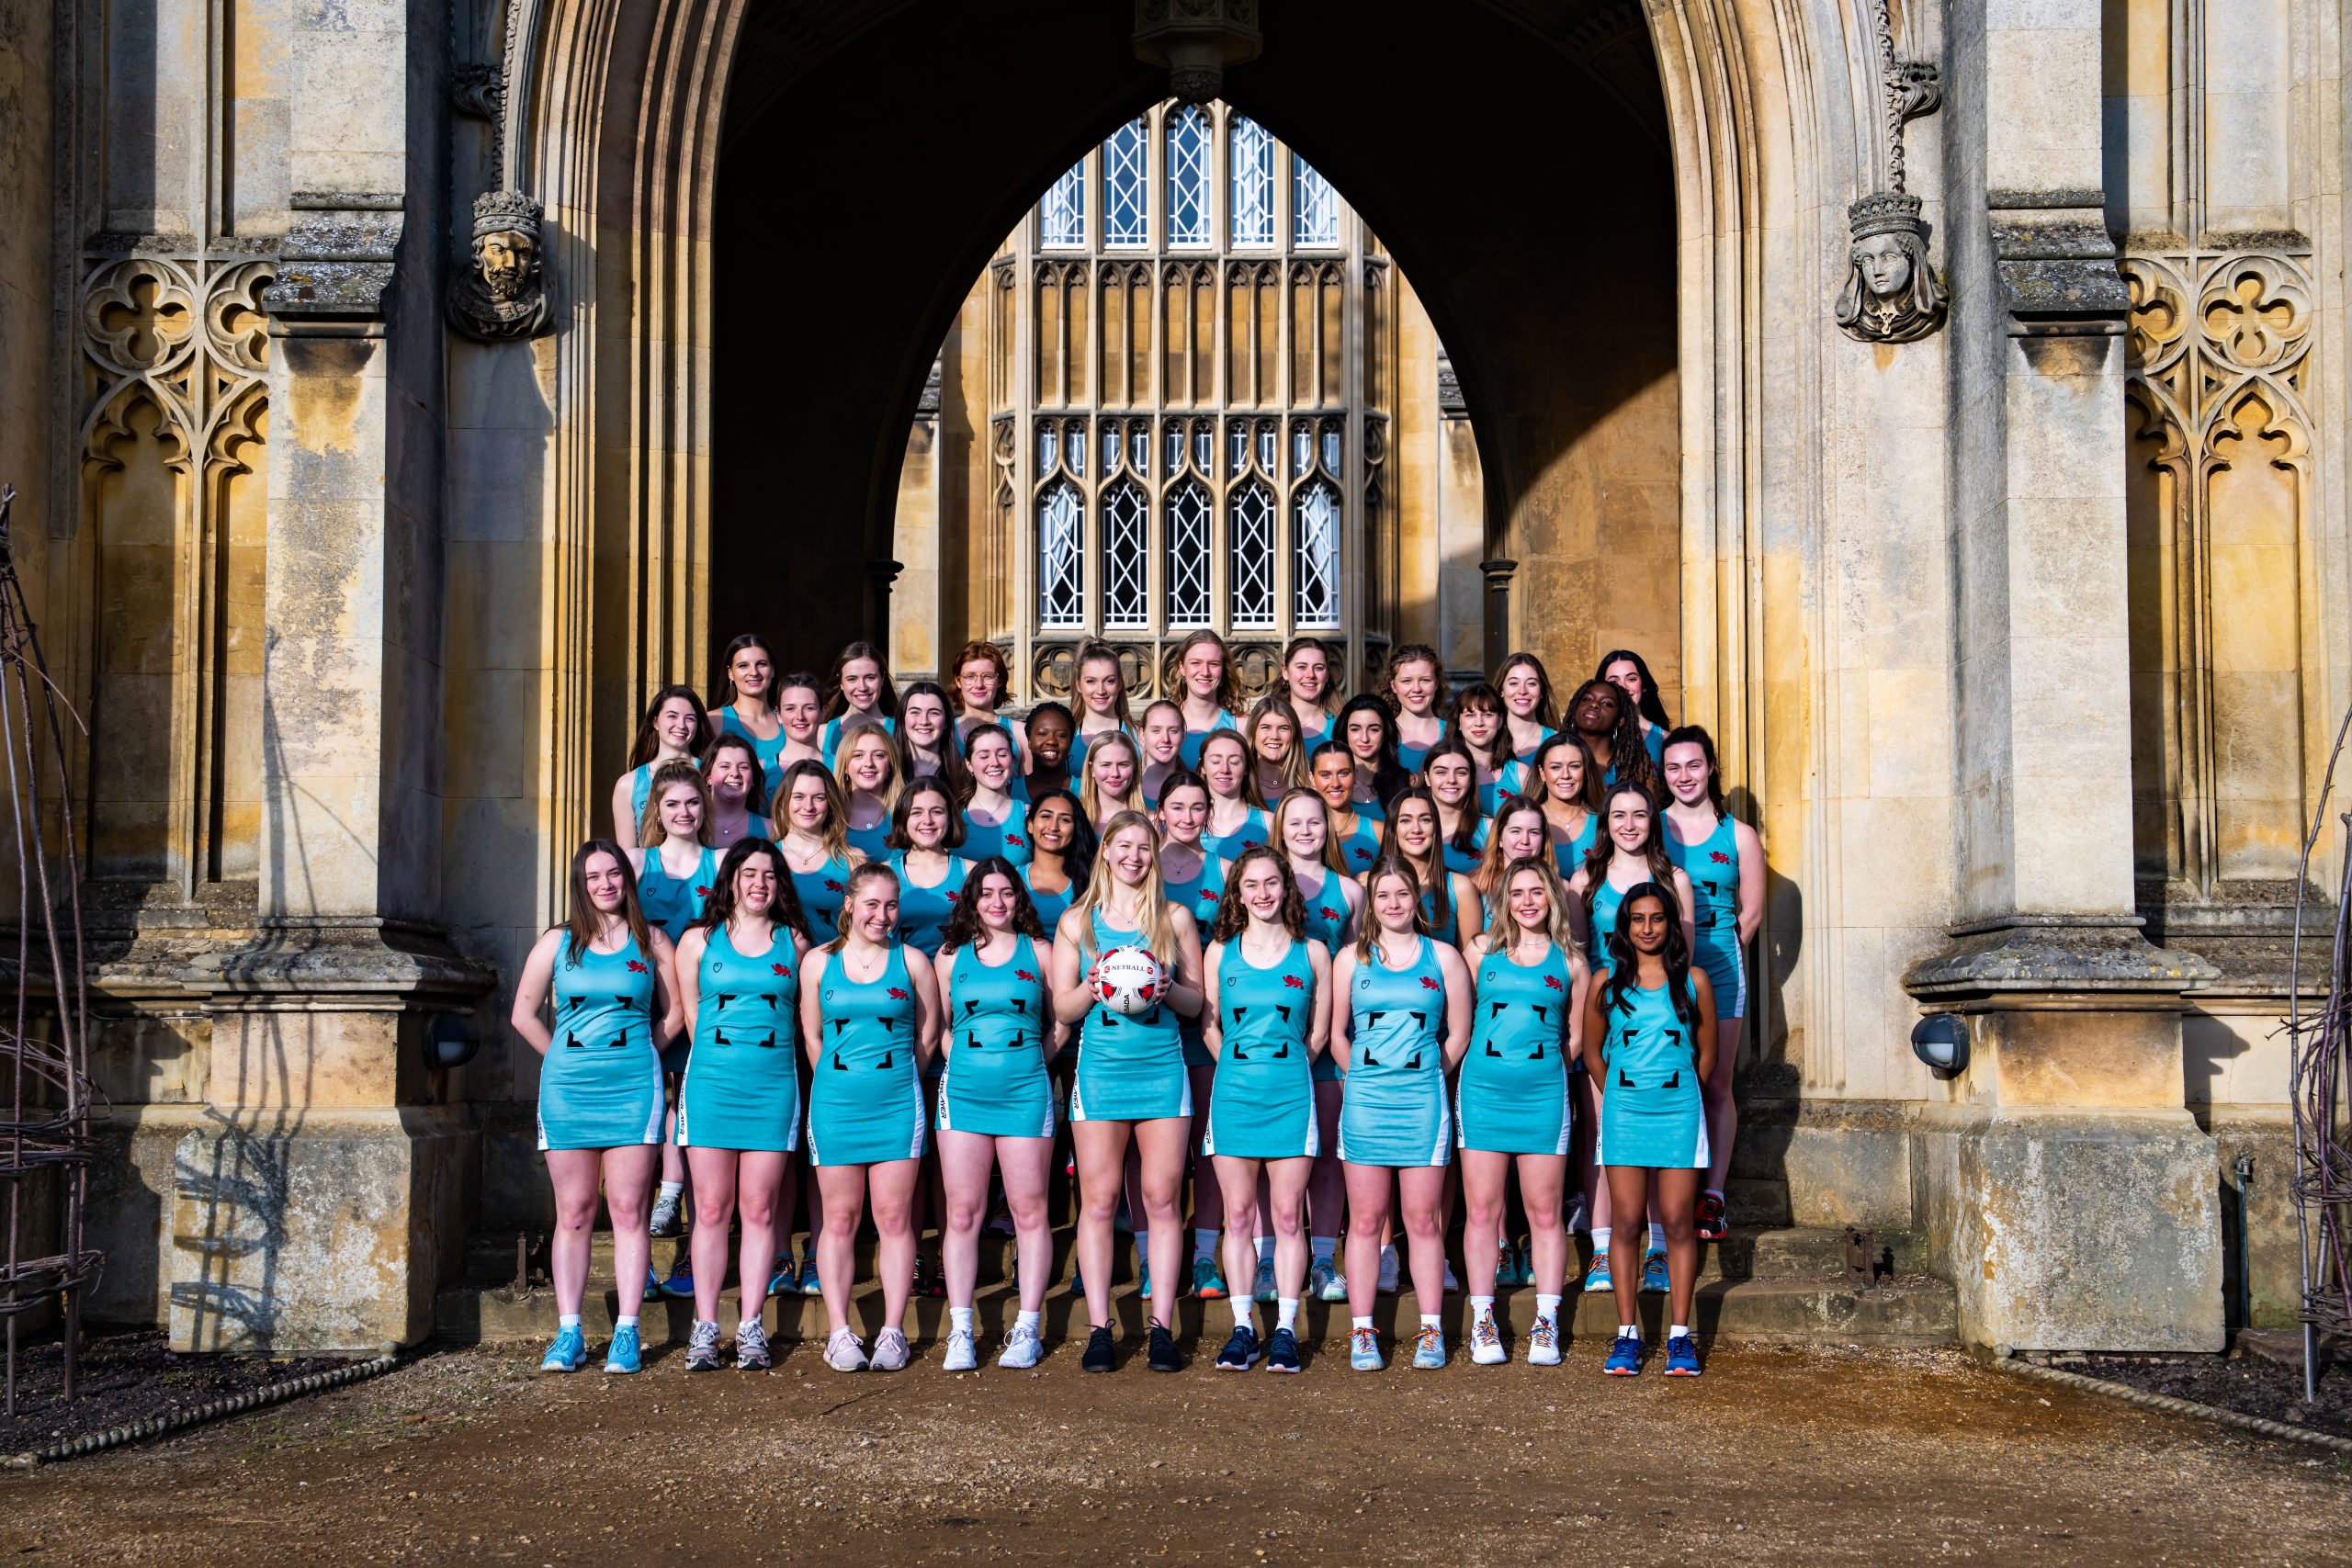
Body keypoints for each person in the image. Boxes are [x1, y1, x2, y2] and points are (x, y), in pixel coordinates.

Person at [511, 841, 677, 1375]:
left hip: (633, 1088)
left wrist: (642, 1049)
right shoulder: (558, 942)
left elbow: (676, 1014)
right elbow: (523, 1014)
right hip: (568, 1091)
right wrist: (560, 1057)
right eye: (593, 877)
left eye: (613, 874)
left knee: (629, 1211)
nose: (605, 884)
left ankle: (627, 1330)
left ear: (628, 879)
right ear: (580, 885)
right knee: (575, 1212)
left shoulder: (652, 940)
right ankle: (569, 1332)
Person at [1049, 809, 1206, 1373]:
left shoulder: (1174, 917)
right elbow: (1061, 1009)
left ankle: (1161, 1327)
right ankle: (1099, 1328)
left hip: (1162, 1071)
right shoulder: (1078, 921)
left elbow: (1196, 1004)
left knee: (1161, 1201)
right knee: (1098, 1201)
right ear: (1107, 851)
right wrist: (1093, 987)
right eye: (1125, 846)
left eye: (1144, 847)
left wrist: (1166, 988)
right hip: (1100, 1073)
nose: (1135, 857)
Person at [672, 839, 814, 1371]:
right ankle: (706, 1328)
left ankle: (751, 1324)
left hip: (774, 1087)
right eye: (749, 873)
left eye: (770, 875)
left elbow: (806, 1023)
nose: (759, 883)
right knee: (710, 1209)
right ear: (731, 879)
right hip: (711, 1085)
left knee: (759, 1210)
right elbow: (690, 1019)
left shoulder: (796, 943)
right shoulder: (697, 941)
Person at [799, 863, 942, 1372]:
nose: (882, 915)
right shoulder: (818, 962)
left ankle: (892, 1331)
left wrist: (896, 1080)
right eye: (872, 904)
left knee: (895, 1219)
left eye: (891, 905)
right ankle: (839, 1332)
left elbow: (926, 1036)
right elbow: (813, 1037)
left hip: (897, 1106)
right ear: (849, 906)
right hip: (835, 1105)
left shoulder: (914, 962)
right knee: (839, 1219)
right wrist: (839, 1082)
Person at [1332, 856, 1473, 1371]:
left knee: (1422, 1221)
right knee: (1366, 1221)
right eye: (1384, 896)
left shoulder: (1445, 957)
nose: (1393, 904)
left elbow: (1458, 1032)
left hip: (1422, 1103)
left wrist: (1432, 1069)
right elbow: (1334, 1036)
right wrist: (1360, 1080)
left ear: (1418, 899)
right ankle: (1363, 1331)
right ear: (1372, 903)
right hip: (1366, 1105)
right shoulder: (1351, 958)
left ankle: (1431, 1330)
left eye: (1403, 895)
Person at [1201, 845, 1331, 1372]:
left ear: (1286, 888)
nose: (1262, 894)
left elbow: (1319, 1032)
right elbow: (1210, 1024)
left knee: (1286, 1217)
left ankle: (1284, 1330)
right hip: (1233, 1096)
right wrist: (1234, 1064)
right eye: (1250, 885)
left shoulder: (1313, 951)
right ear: (1237, 892)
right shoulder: (1219, 951)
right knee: (1237, 1215)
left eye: (1271, 883)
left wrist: (1286, 1067)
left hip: (1291, 1097)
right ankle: (1241, 1329)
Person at [1581, 885, 1716, 1376]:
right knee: (1626, 1222)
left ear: (1670, 924)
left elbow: (1708, 1054)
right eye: (1637, 919)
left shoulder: (1694, 981)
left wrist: (1680, 1095)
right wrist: (1617, 1093)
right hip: (1625, 1115)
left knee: (1679, 1221)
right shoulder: (1606, 982)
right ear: (1624, 926)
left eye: (1657, 918)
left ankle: (1680, 1337)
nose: (1647, 928)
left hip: (1679, 1112)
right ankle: (1627, 1336)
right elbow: (1593, 1052)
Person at [1457, 856, 1587, 1367]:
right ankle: (1483, 1319)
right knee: (1484, 1212)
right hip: (1482, 1094)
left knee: (1544, 1212)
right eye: (1518, 893)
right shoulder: (1480, 952)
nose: (1528, 902)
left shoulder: (1572, 962)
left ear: (1552, 898)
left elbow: (1573, 1038)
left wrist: (1543, 1076)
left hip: (1543, 1098)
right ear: (1504, 899)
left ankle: (1546, 1321)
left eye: (1537, 892)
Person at [1567, 781, 1696, 1295]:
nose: (1628, 824)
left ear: (1652, 821)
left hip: (1658, 1025)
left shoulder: (1674, 877)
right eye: (1617, 814)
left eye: (1639, 814)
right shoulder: (1585, 881)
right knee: (1602, 1135)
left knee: (1659, 1146)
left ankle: (1660, 1247)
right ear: (1605, 824)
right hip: (1605, 1013)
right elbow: (1578, 954)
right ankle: (1603, 1247)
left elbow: (1682, 959)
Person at [933, 859, 1061, 1370]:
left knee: (1030, 1213)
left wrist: (1030, 1062)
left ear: (1020, 898)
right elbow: (935, 1027)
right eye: (986, 893)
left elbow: (1059, 1026)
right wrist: (963, 1061)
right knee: (962, 1212)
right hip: (962, 1094)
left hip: (1027, 1091)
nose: (997, 903)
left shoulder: (1043, 953)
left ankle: (1026, 1329)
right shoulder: (948, 957)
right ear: (971, 899)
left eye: (1007, 893)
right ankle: (961, 1329)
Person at [1659, 725, 1763, 1243]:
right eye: (1674, 767)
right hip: (1660, 970)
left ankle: (1713, 1196)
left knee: (1716, 1081)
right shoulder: (1650, 827)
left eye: (1693, 765)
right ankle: (1666, 1192)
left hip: (1721, 968)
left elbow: (1752, 913)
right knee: (1666, 1080)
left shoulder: (1738, 834)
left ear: (1710, 768)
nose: (1684, 776)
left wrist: (1711, 957)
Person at [1273, 787, 1362, 1303]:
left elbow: (1357, 967)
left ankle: (1324, 1258)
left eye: (1315, 822)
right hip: (1273, 1041)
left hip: (1328, 1040)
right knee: (1273, 1154)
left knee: (1326, 1154)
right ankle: (1270, 1259)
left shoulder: (1349, 891)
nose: (1305, 831)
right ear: (1279, 828)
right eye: (1295, 822)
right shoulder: (1258, 881)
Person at [630, 761, 719, 1266]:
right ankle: (664, 1194)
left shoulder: (722, 861)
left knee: (692, 1100)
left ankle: (684, 1196)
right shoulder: (637, 863)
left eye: (691, 802)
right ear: (657, 812)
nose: (683, 812)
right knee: (660, 1100)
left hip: (708, 1002)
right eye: (672, 804)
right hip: (655, 1003)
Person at [1155, 770, 1230, 1298]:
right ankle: (1148, 1255)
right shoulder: (1140, 864)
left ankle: (1204, 1255)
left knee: (1207, 1142)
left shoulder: (1225, 869)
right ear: (1160, 812)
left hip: (1204, 1019)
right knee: (1148, 1152)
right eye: (1177, 808)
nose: (1187, 817)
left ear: (1209, 813)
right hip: (1149, 1023)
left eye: (1196, 808)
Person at [1381, 787, 1482, 948]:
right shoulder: (1367, 883)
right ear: (1392, 828)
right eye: (1406, 820)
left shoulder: (1460, 887)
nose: (1416, 829)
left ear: (1436, 827)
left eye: (1425, 820)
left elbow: (1471, 961)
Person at [613, 685, 709, 851]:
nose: (681, 725)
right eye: (672, 716)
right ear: (655, 722)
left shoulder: (710, 774)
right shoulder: (628, 785)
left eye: (690, 718)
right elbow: (627, 856)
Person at [885, 777, 968, 960]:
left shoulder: (972, 873)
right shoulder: (884, 875)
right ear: (903, 818)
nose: (928, 820)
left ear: (950, 817)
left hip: (956, 979)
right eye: (917, 812)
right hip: (902, 979)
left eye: (937, 812)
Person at [775, 760, 861, 937]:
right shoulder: (764, 857)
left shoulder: (853, 861)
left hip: (833, 962)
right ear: (784, 800)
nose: (809, 806)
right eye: (799, 796)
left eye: (819, 798)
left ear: (830, 804)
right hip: (779, 963)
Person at [710, 635, 791, 809]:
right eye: (743, 665)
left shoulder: (791, 719)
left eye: (761, 664)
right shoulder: (714, 721)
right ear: (730, 673)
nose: (753, 672)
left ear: (773, 670)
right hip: (732, 830)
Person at [1565, 677, 1659, 799]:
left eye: (1607, 703)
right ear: (1575, 709)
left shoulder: (1634, 766)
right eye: (1587, 699)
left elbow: (1649, 813)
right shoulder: (1553, 755)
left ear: (1620, 721)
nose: (1594, 704)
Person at [1529, 731, 1601, 874]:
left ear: (1586, 771)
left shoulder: (1604, 822)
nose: (1566, 775)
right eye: (1556, 767)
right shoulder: (1527, 820)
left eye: (1574, 766)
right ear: (1542, 773)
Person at [1018, 787, 1091, 930]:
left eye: (1064, 820)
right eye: (1046, 816)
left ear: (1076, 829)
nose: (1053, 827)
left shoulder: (1092, 882)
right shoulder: (1011, 879)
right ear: (1030, 825)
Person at [959, 724, 1031, 866]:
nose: (994, 762)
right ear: (969, 764)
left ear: (1012, 759)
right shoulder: (953, 816)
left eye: (1002, 754)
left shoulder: (1028, 814)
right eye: (984, 756)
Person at [1170, 629, 1244, 767]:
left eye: (1213, 664)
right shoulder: (1161, 726)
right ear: (1182, 668)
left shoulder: (1241, 727)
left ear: (1223, 669)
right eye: (1196, 663)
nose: (1205, 672)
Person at [819, 640, 899, 764]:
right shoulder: (821, 735)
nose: (862, 687)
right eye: (852, 679)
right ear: (841, 682)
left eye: (870, 678)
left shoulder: (900, 733)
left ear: (882, 679)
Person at [833, 718, 902, 862]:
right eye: (858, 755)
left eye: (878, 755)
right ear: (845, 766)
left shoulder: (907, 813)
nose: (869, 763)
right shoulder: (829, 814)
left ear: (890, 765)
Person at [1309, 743, 1383, 876]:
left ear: (1355, 775)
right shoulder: (1301, 833)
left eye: (1343, 773)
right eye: (1325, 775)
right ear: (1312, 779)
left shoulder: (1379, 832)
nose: (1335, 783)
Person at [1198, 730, 1272, 862]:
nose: (1224, 769)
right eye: (1215, 761)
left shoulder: (1269, 823)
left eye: (1234, 762)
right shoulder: (1186, 821)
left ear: (1246, 768)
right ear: (1203, 766)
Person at [1335, 694, 1410, 818]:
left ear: (1386, 733)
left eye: (1373, 729)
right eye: (1355, 729)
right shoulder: (1331, 784)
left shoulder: (1407, 783)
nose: (1364, 738)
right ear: (1345, 732)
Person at [950, 639, 1026, 761]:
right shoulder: (945, 734)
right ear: (958, 681)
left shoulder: (1020, 734)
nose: (979, 684)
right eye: (970, 677)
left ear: (999, 681)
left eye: (988, 676)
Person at [897, 681, 974, 800]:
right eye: (915, 712)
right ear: (903, 720)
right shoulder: (888, 771)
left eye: (933, 713)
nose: (924, 721)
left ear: (946, 722)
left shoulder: (965, 774)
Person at [1597, 649, 1675, 765]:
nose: (1623, 686)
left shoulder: (1666, 740)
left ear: (1644, 686)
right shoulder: (1588, 740)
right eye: (1614, 681)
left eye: (1631, 679)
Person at [1420, 739, 1486, 876]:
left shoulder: (1491, 830)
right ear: (1427, 778)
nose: (1451, 780)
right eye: (1441, 772)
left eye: (1461, 773)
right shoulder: (1408, 828)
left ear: (1471, 779)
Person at [1444, 682, 1511, 814]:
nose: (1479, 723)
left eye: (1488, 715)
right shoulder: (1440, 772)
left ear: (1500, 721)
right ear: (1458, 721)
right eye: (1470, 715)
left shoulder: (1521, 775)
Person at [1069, 642, 1136, 770]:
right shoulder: (1066, 737)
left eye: (1109, 681)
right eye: (1091, 681)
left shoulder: (1139, 738)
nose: (1100, 690)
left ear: (1119, 684)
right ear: (1078, 685)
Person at [1383, 643, 1447, 774]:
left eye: (1425, 680)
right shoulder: (1382, 734)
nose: (1416, 689)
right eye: (1407, 681)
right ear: (1393, 686)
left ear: (1436, 684)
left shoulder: (1453, 733)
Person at [701, 733, 771, 852]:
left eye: (743, 767)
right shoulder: (690, 824)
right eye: (725, 766)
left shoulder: (771, 830)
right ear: (708, 776)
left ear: (753, 778)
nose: (735, 773)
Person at [1495, 651, 1560, 762]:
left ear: (1542, 691)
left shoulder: (1558, 741)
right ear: (1502, 690)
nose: (1522, 691)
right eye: (1514, 683)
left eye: (1531, 683)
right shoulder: (1487, 739)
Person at [1245, 694, 1307, 806]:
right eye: (1266, 727)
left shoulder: (1309, 787)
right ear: (1253, 732)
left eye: (1283, 728)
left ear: (1294, 735)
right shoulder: (1239, 786)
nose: (1274, 736)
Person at [1078, 728, 1147, 831]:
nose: (1115, 773)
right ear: (1092, 769)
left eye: (1123, 765)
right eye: (1106, 765)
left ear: (1134, 767)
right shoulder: (1073, 817)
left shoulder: (1150, 821)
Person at [1279, 637, 1339, 752]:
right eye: (1301, 667)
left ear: (1327, 674)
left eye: (1318, 668)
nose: (1310, 674)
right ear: (1285, 672)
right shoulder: (1267, 722)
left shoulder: (1341, 725)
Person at [773, 671, 829, 773]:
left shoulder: (842, 766)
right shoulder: (761, 769)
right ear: (778, 714)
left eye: (809, 708)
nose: (800, 717)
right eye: (790, 709)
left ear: (822, 712)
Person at [1022, 701, 1077, 800]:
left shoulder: (1087, 790)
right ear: (1029, 740)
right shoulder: (1008, 792)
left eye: (1060, 735)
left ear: (1071, 742)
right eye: (1042, 734)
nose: (1051, 741)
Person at [1137, 699, 1187, 808]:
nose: (1165, 739)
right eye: (1156, 731)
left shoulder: (1194, 790)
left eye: (1173, 731)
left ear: (1183, 735)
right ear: (1142, 735)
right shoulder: (1127, 788)